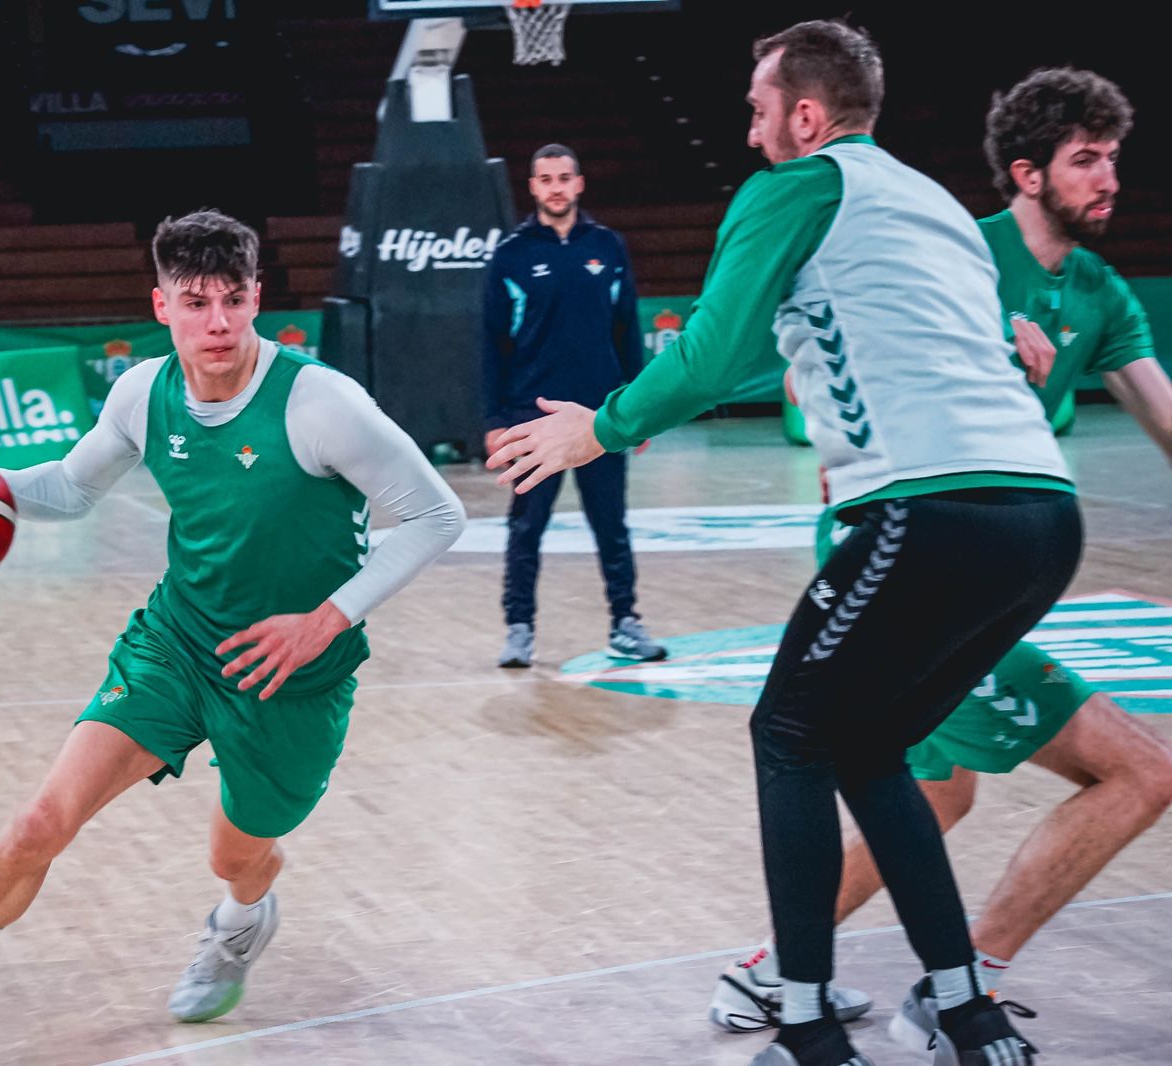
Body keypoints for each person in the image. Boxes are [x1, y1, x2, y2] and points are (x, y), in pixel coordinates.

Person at [490, 20, 1082, 1066]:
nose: (750, 128)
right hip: (1042, 517)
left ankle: (805, 1028)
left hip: (930, 508)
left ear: (806, 115)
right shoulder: (932, 203)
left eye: (760, 108)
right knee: (865, 745)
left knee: (788, 733)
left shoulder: (794, 187)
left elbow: (716, 354)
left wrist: (601, 426)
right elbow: (831, 346)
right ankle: (966, 1013)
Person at [0, 210, 465, 1059]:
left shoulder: (322, 405)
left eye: (232, 300)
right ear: (161, 305)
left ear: (257, 297)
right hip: (177, 643)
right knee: (41, 820)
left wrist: (325, 620)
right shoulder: (143, 394)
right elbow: (73, 488)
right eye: (196, 302)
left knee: (237, 858)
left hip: (291, 678)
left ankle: (242, 922)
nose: (217, 323)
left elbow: (436, 515)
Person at [708, 65, 1172, 1049]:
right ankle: (938, 990)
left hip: (987, 565)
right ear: (1026, 173)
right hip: (911, 559)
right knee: (1130, 771)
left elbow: (1164, 418)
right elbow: (798, 361)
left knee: (932, 783)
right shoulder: (956, 246)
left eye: (1112, 158)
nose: (1108, 178)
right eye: (1086, 160)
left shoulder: (1100, 292)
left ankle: (797, 977)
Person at [480, 143, 664, 668]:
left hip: (601, 417)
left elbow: (627, 331)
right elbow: (491, 343)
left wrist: (639, 412)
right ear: (533, 187)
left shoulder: (607, 246)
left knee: (612, 525)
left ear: (579, 183)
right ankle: (519, 628)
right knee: (526, 527)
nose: (556, 187)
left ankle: (626, 623)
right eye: (546, 179)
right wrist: (494, 419)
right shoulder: (512, 254)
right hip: (531, 418)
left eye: (564, 178)